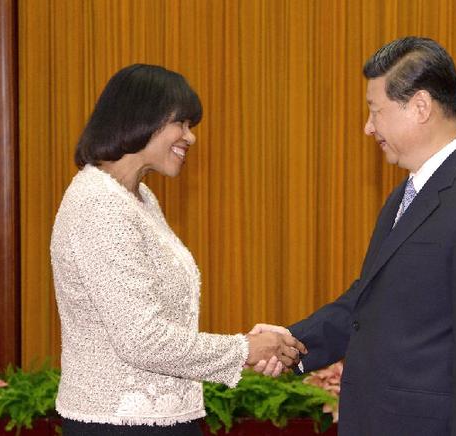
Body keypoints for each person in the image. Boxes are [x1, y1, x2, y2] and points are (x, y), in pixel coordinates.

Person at [251, 37, 456, 435]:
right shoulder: (410, 192)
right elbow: (370, 302)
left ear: (420, 106)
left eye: (375, 111)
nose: (368, 127)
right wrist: (294, 343)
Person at [50, 64, 306, 436]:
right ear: (142, 117)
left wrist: (250, 347)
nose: (191, 138)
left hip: (162, 419)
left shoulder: (138, 198)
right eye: (182, 124)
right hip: (120, 424)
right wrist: (243, 350)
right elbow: (142, 339)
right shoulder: (98, 203)